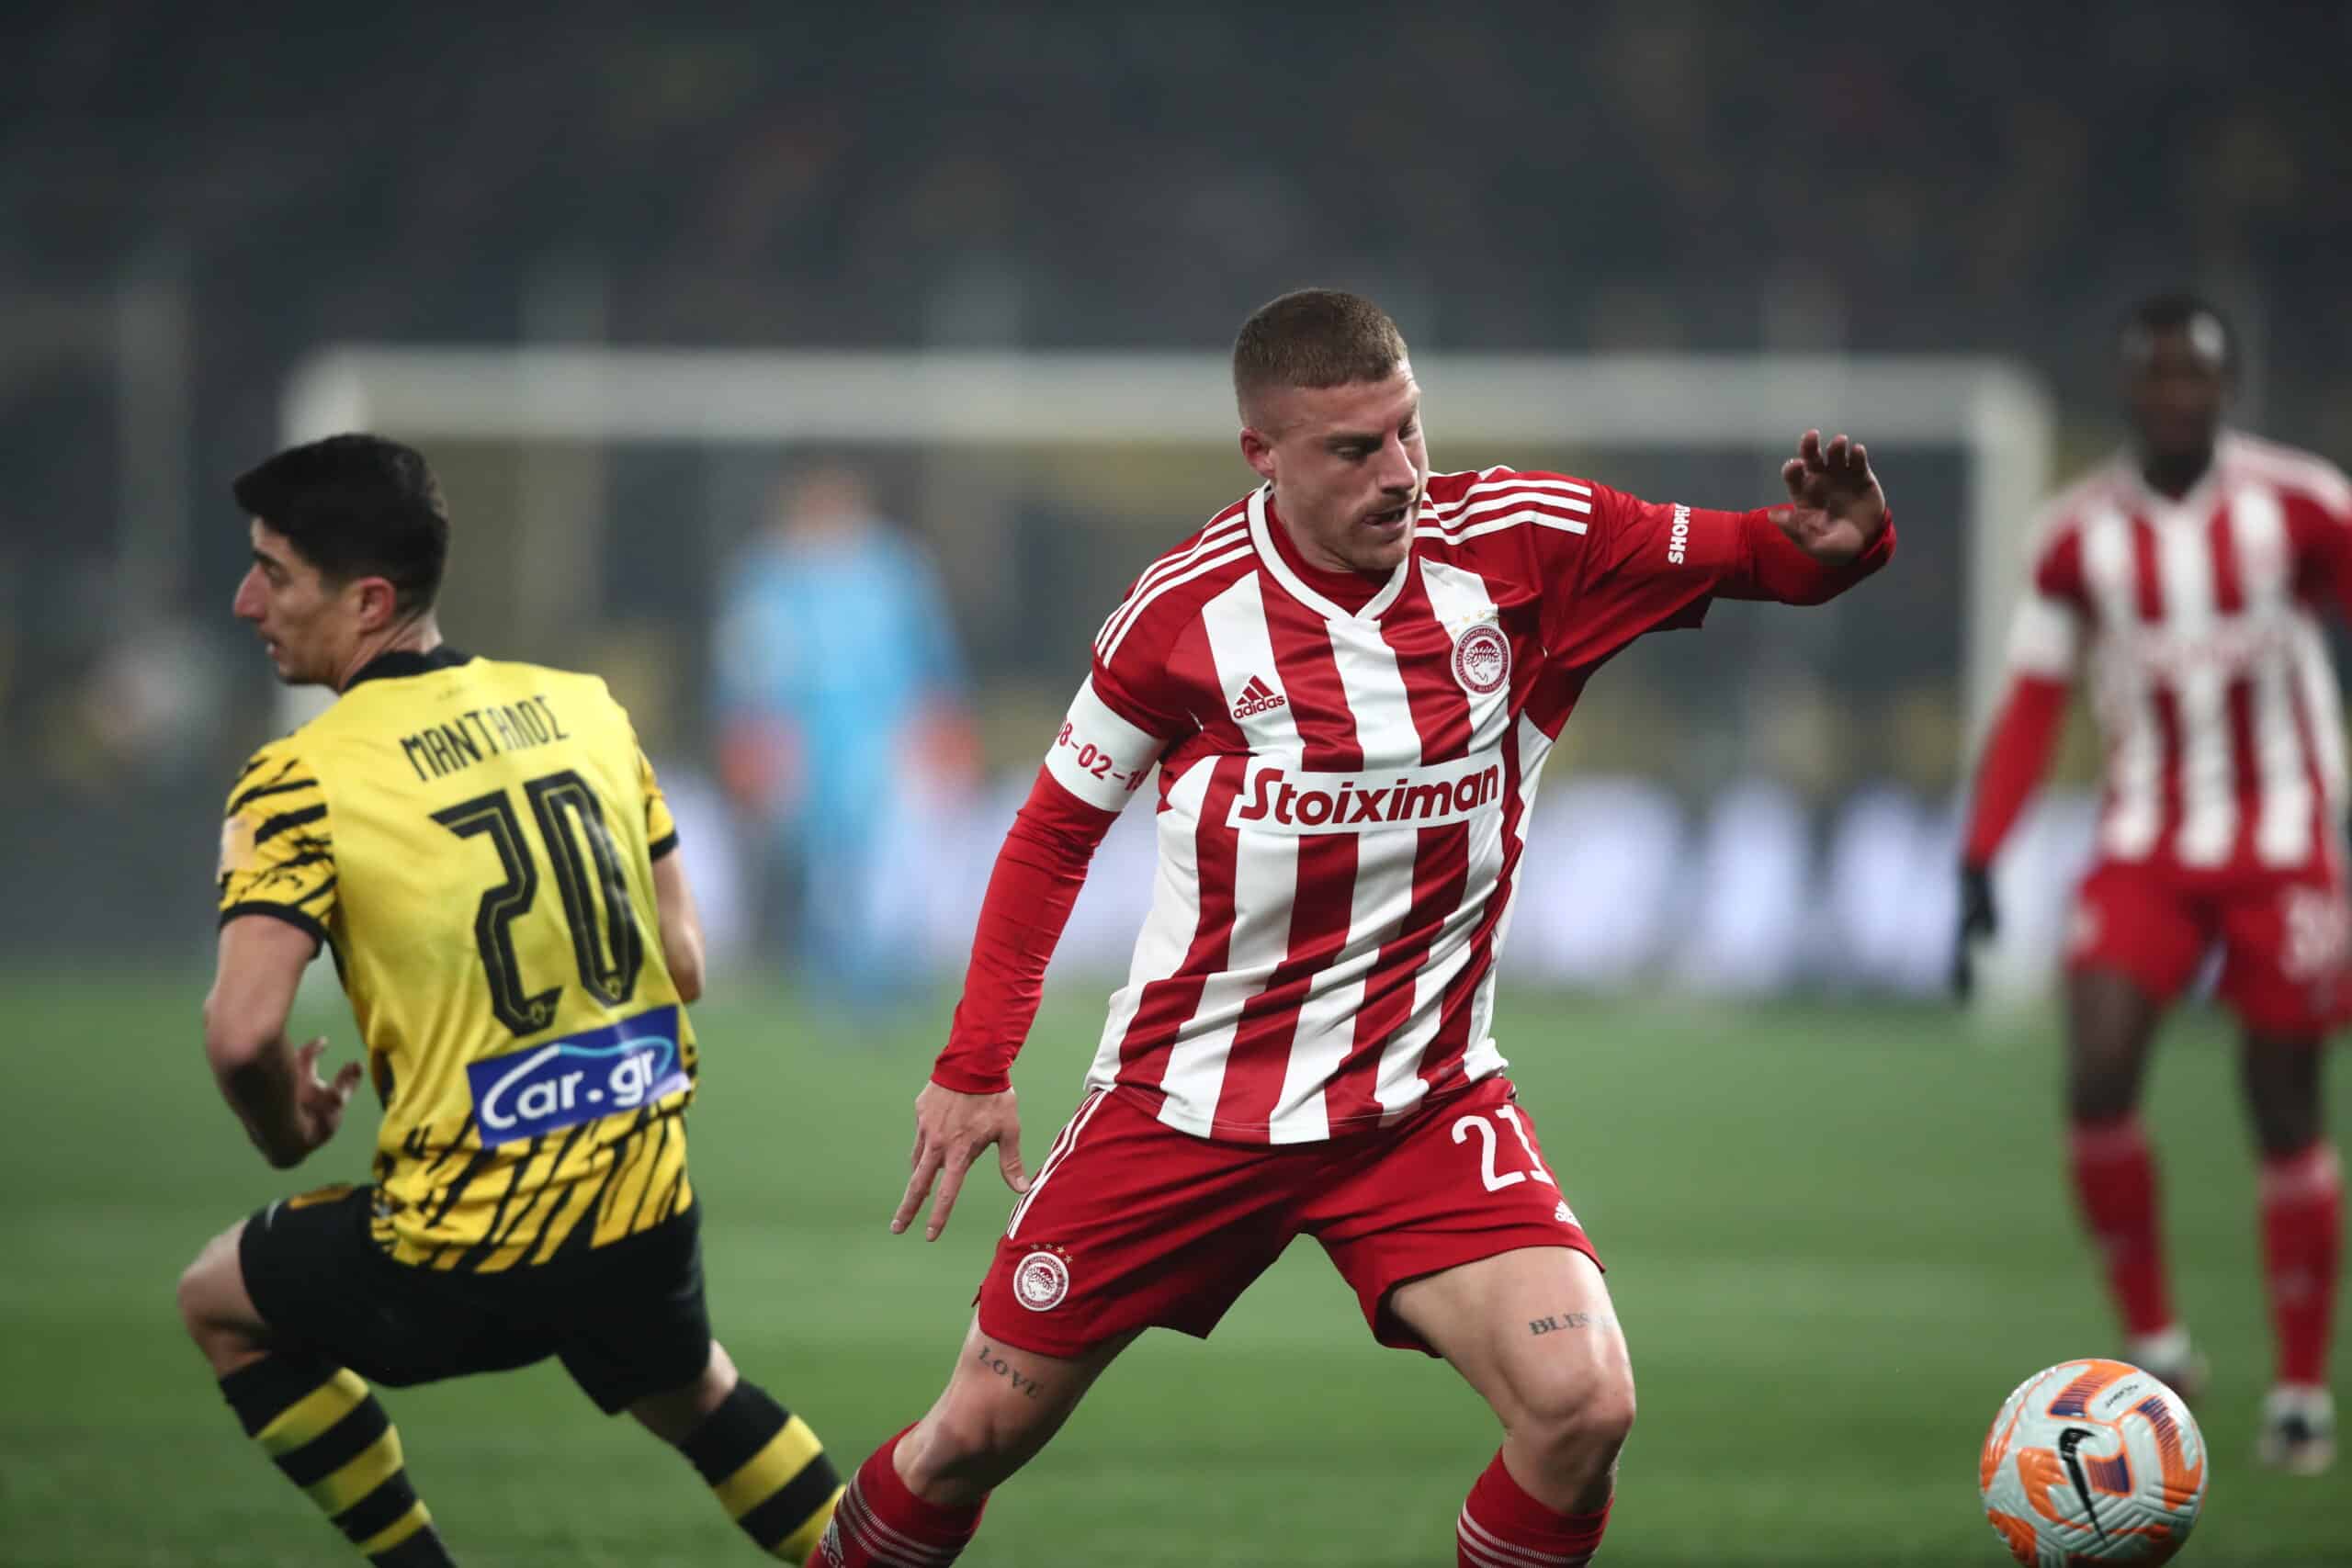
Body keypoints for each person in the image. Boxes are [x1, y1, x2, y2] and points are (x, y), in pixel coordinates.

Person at [814, 289, 1895, 1568]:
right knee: (970, 1435)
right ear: (1262, 455)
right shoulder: (1182, 614)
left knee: (1583, 1403)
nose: (1401, 472)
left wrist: (1844, 544)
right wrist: (975, 1062)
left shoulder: (1528, 543)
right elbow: (1053, 831)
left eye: (1408, 429)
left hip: (1419, 1103)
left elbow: (1770, 555)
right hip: (1190, 1102)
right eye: (1353, 448)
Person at [175, 435, 844, 1565]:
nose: (247, 601)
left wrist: (286, 1129)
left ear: (368, 601)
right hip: (638, 1196)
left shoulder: (298, 777)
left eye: (274, 574)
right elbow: (684, 963)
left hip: (465, 1240)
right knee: (692, 1389)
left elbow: (241, 1034)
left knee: (217, 1301)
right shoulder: (585, 709)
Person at [1955, 293, 2346, 1474]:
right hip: (2145, 842)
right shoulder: (2076, 537)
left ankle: (2298, 1390)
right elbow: (2035, 698)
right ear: (2128, 392)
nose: (2175, 395)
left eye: (2194, 376)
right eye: (2156, 376)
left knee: (2282, 1103)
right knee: (2096, 1070)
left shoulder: (2302, 508)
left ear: (2227, 390)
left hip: (2283, 841)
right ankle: (2158, 1348)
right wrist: (1982, 847)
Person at [713, 464, 976, 1003]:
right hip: (799, 746)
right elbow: (742, 671)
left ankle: (891, 970)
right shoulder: (768, 575)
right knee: (821, 863)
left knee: (891, 858)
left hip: (886, 740)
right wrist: (747, 738)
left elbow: (933, 662)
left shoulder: (895, 570)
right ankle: (827, 972)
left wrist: (943, 731)